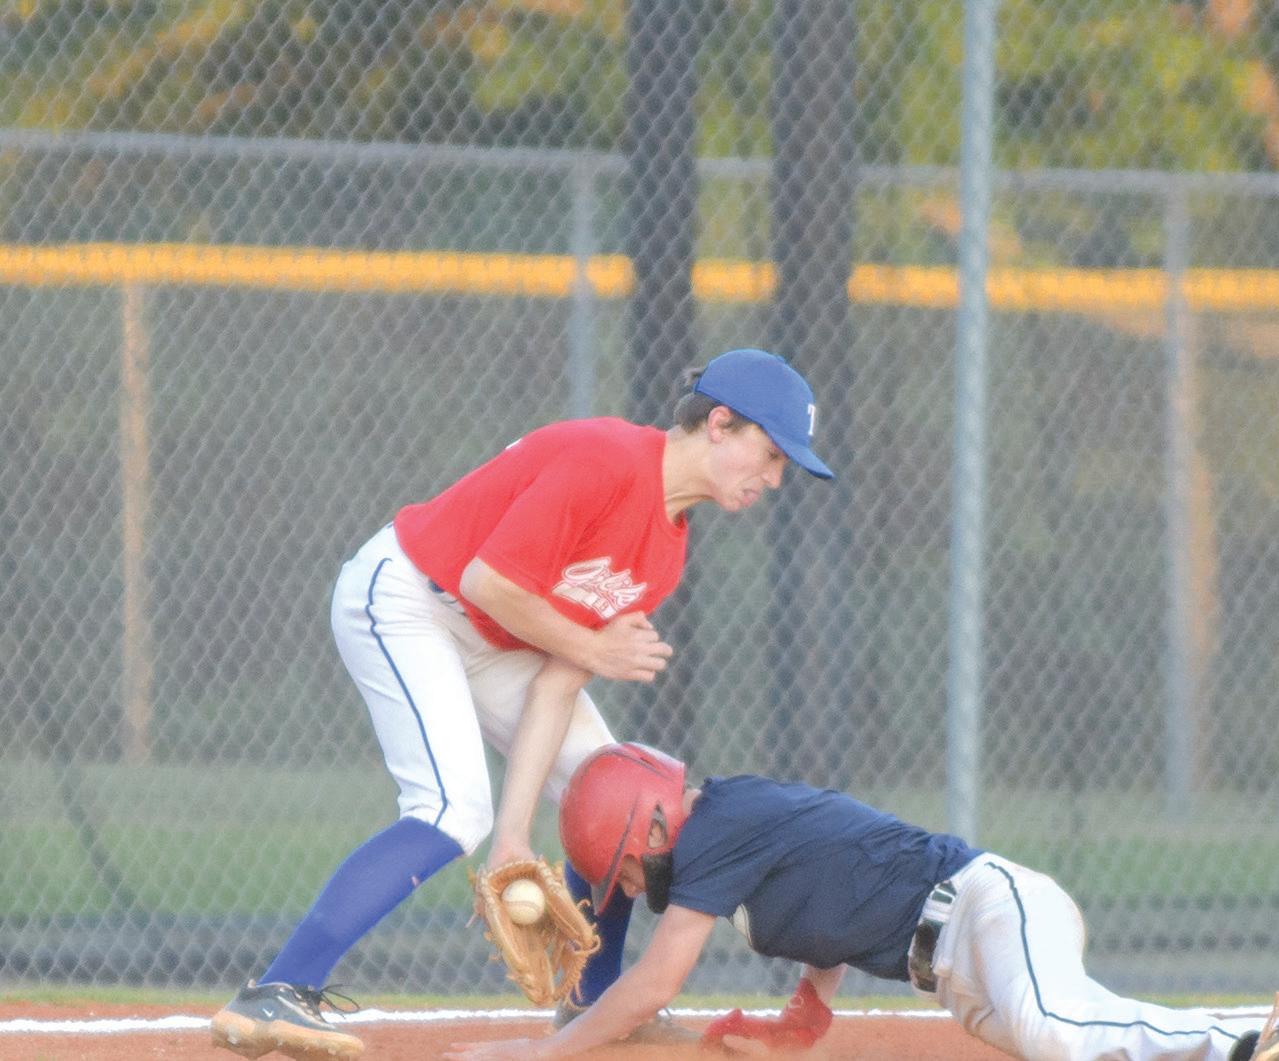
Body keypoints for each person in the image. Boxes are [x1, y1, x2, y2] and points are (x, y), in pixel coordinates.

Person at [211, 349, 834, 1061]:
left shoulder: (664, 553)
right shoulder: (605, 460)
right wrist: (597, 649)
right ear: (720, 423)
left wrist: (513, 836)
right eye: (772, 452)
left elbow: (555, 686)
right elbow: (486, 582)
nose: (775, 477)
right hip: (412, 597)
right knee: (451, 809)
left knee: (618, 787)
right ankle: (280, 988)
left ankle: (594, 1003)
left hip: (499, 638)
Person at [443, 741, 1279, 1061]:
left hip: (986, 906)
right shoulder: (730, 835)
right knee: (1099, 1040)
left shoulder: (713, 829)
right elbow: (828, 888)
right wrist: (808, 1008)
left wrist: (541, 1052)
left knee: (1059, 1031)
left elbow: (658, 981)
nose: (624, 888)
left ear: (655, 824)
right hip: (956, 966)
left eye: (621, 867)